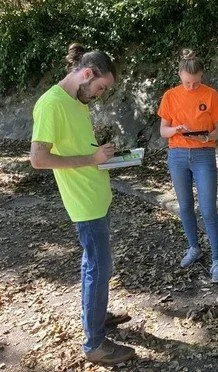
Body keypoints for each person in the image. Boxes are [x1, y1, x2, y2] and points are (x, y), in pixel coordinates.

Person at [30, 43, 135, 364]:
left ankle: (97, 316)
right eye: (101, 87)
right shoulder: (51, 104)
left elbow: (76, 149)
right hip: (83, 203)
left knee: (99, 267)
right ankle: (95, 345)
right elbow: (39, 159)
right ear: (87, 74)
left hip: (96, 194)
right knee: (97, 268)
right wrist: (92, 157)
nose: (100, 94)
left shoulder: (76, 102)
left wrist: (101, 156)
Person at [157, 48, 218, 283]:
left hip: (203, 153)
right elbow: (163, 130)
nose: (191, 88)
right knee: (185, 205)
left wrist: (206, 137)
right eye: (187, 83)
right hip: (177, 154)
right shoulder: (170, 96)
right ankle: (193, 247)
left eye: (195, 83)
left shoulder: (211, 95)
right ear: (179, 76)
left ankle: (217, 259)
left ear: (202, 77)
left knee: (208, 209)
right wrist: (176, 130)